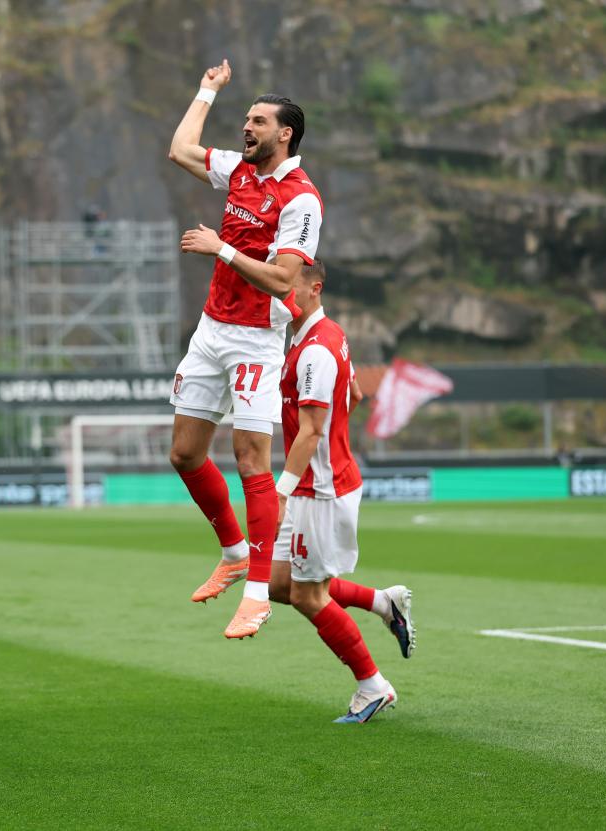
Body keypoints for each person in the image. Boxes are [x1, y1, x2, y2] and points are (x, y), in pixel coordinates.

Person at [168, 58, 322, 638]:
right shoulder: (239, 172)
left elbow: (285, 281)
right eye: (246, 119)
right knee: (184, 453)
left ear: (285, 133)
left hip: (257, 338)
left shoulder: (301, 199)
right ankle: (234, 552)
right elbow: (182, 148)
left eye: (257, 121)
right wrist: (207, 90)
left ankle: (257, 591)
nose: (246, 127)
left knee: (251, 460)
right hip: (211, 329)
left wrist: (221, 250)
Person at [269, 261, 409, 723]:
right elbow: (353, 395)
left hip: (318, 490)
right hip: (318, 481)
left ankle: (372, 686)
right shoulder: (323, 335)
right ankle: (382, 602)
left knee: (309, 595)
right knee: (279, 584)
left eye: (287, 284)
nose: (279, 291)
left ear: (314, 288)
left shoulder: (316, 350)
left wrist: (282, 492)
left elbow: (311, 431)